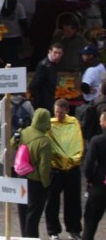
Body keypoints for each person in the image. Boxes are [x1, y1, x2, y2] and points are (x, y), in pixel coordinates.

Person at [14, 107, 55, 239]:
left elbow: (11, 144)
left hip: (21, 175)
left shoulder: (24, 131)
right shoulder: (45, 141)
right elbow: (44, 167)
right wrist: (46, 183)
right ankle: (31, 237)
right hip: (35, 180)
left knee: (22, 209)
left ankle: (24, 235)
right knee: (34, 212)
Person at [46, 98, 84, 240]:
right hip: (55, 168)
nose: (58, 115)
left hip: (72, 168)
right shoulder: (50, 124)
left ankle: (74, 229)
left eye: (61, 112)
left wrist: (73, 159)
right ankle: (53, 231)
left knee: (73, 200)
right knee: (52, 200)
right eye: (56, 112)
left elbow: (77, 142)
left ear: (67, 111)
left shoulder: (73, 123)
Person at [84, 108, 106, 239]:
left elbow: (88, 165)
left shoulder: (97, 141)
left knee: (90, 221)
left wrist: (90, 179)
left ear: (103, 123)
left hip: (99, 184)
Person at [32, 44, 65, 116]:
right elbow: (34, 85)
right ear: (49, 52)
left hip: (50, 99)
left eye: (59, 53)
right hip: (43, 101)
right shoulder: (44, 65)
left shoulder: (54, 64)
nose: (57, 55)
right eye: (55, 52)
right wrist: (38, 104)